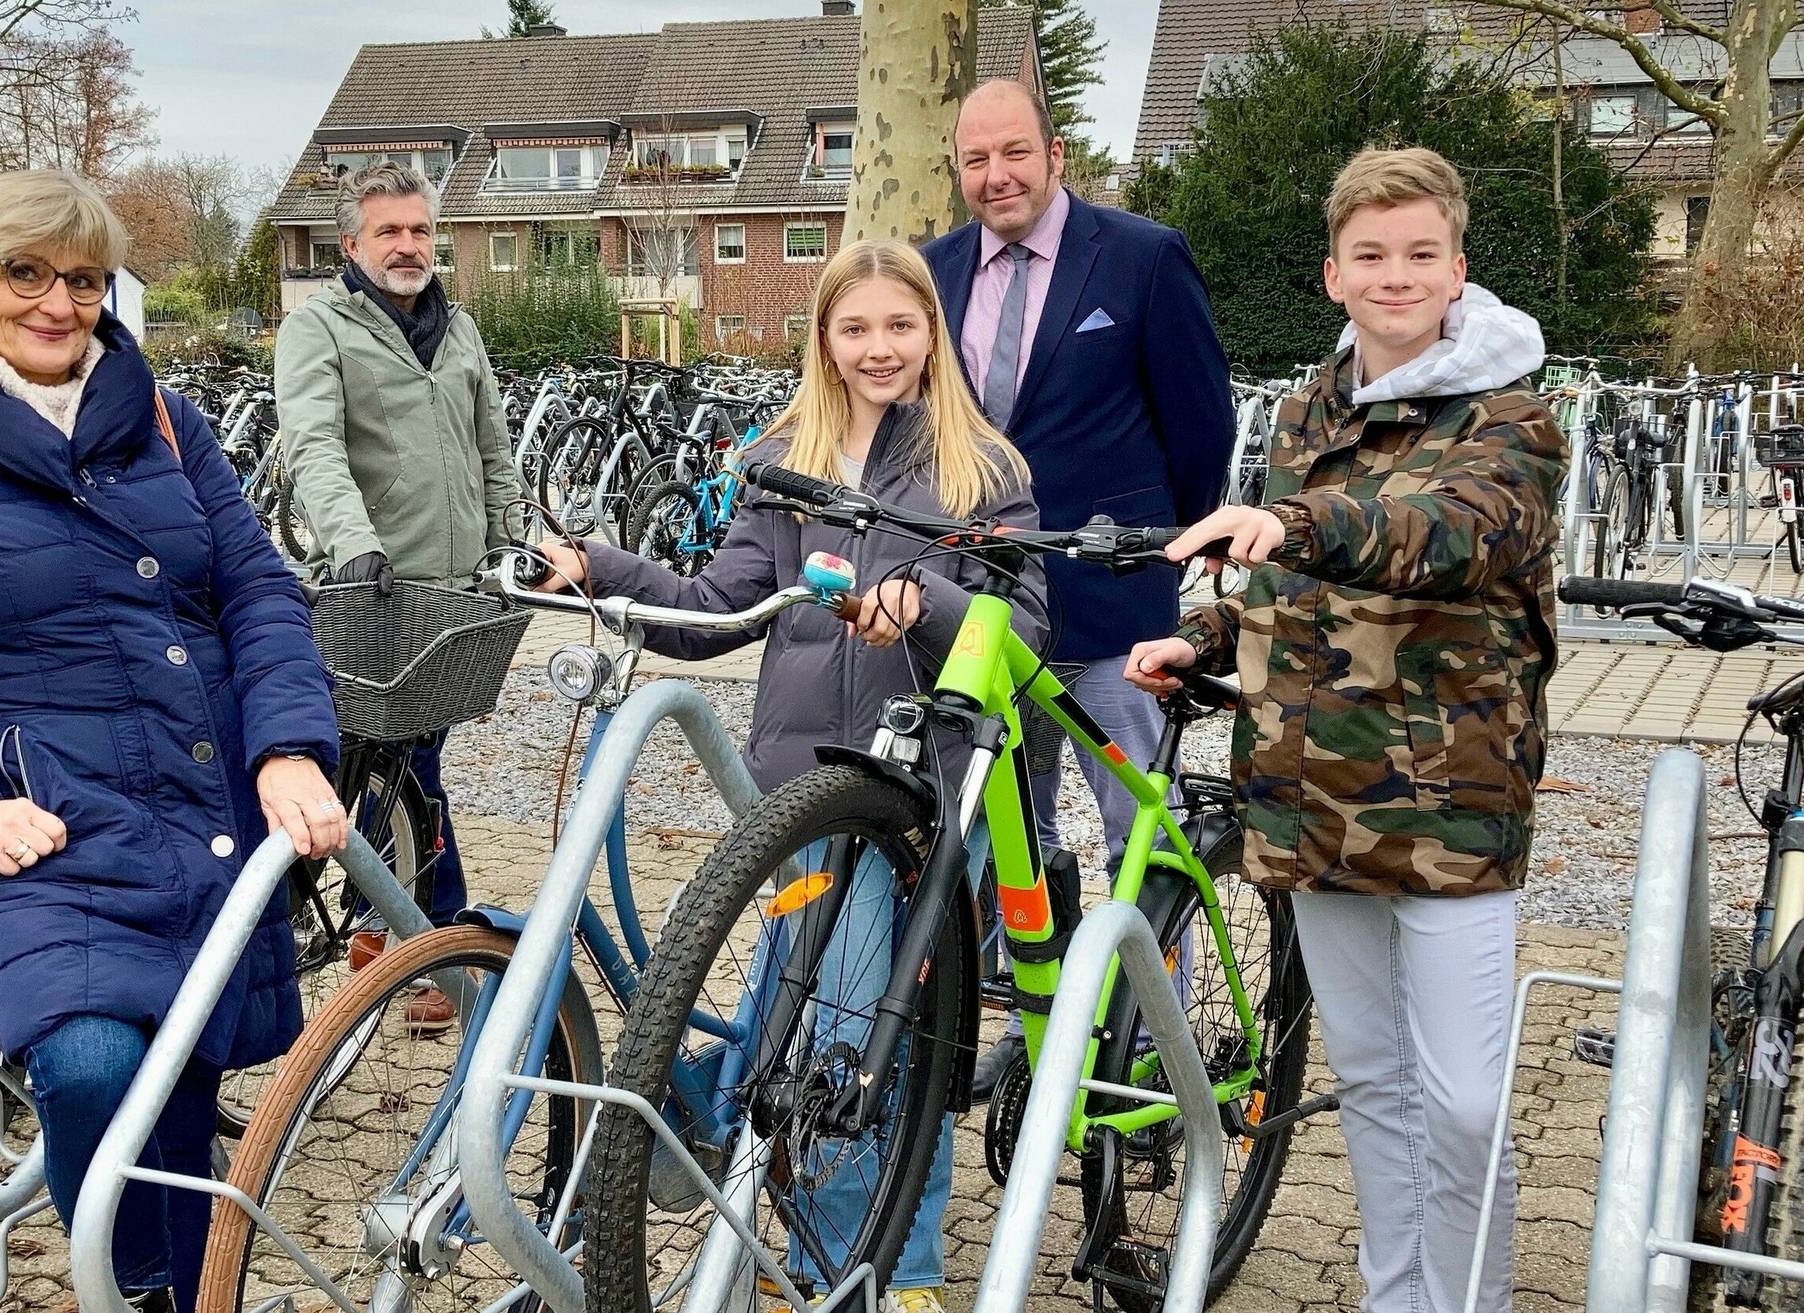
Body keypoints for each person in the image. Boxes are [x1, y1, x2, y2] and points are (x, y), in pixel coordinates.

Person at [0, 169, 346, 1313]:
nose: (58, 302)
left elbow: (261, 593)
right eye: (25, 274)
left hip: (205, 812)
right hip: (56, 835)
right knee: (94, 1067)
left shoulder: (165, 423)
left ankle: (187, 1290)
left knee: (182, 1084)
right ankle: (137, 1284)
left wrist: (288, 742)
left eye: (84, 279)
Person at [537, 239, 1045, 1313]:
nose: (878, 348)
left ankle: (882, 1275)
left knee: (866, 1027)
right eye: (854, 328)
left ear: (931, 334)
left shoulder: (983, 469)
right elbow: (721, 602)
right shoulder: (784, 454)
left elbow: (1027, 632)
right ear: (823, 337)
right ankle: (821, 1243)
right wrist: (602, 567)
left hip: (920, 793)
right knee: (814, 1025)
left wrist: (930, 607)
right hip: (800, 793)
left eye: (899, 327)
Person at [1126, 146, 1563, 1313]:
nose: (1396, 274)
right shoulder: (1305, 410)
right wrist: (1207, 641)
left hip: (1452, 797)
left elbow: (1447, 532)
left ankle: (1469, 1298)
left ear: (1458, 265)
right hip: (1313, 787)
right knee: (1370, 1076)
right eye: (1372, 255)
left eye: (1421, 253)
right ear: (1333, 274)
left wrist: (1293, 518)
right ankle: (1392, 1294)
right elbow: (1290, 581)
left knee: (1462, 1095)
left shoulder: (1512, 417)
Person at [921, 78, 1235, 1095]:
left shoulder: (1142, 257)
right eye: (976, 159)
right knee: (1022, 828)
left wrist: (1165, 548)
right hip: (986, 605)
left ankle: (1151, 1044)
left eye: (1014, 152)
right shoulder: (934, 272)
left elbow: (1200, 428)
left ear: (1056, 154)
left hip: (1109, 606)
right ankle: (1042, 1022)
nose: (996, 175)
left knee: (1140, 828)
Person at [275, 160, 525, 942]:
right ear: (351, 243)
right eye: (389, 231)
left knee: (411, 769)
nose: (408, 245)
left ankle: (381, 923)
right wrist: (353, 544)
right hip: (377, 589)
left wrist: (514, 544)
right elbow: (312, 447)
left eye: (420, 229)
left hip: (457, 593)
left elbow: (492, 448)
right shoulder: (319, 329)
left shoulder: (460, 329)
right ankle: (426, 935)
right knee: (398, 768)